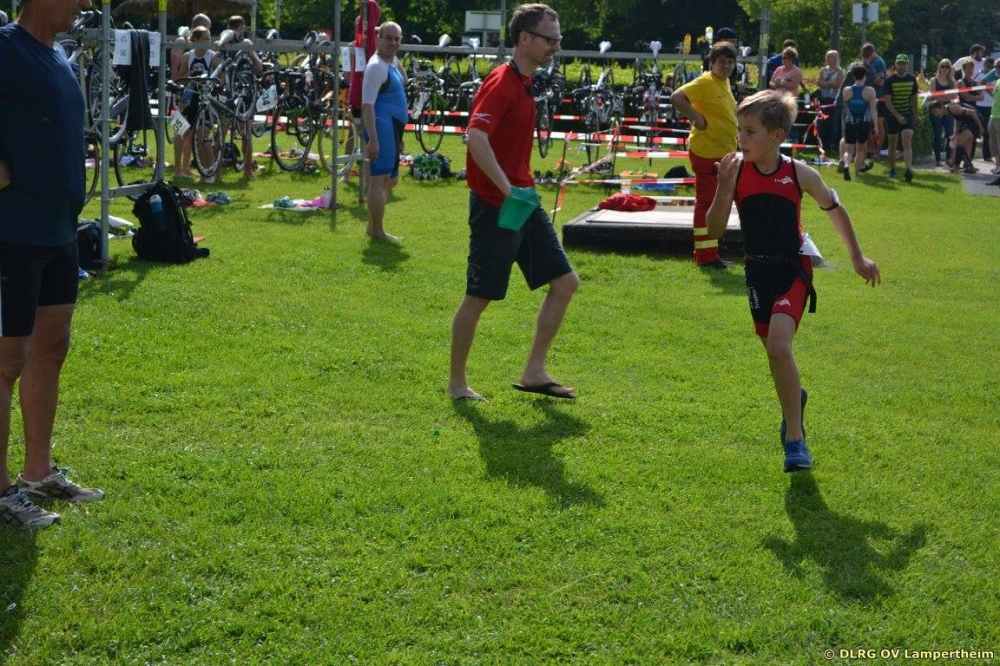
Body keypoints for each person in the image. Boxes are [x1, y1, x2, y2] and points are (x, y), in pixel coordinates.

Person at [705, 90, 881, 473]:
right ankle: (794, 398)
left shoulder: (799, 173)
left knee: (778, 346)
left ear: (777, 136)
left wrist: (857, 257)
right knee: (775, 354)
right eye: (739, 131)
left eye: (750, 132)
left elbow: (835, 209)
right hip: (757, 273)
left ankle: (795, 440)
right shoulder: (737, 172)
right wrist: (723, 187)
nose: (741, 139)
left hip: (793, 271)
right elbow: (714, 230)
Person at [0, 0, 106, 529]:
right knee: (6, 361)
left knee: (52, 346)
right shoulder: (4, 47)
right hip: (11, 232)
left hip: (59, 230)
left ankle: (37, 473)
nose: (84, 4)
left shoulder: (58, 55)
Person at [447, 3, 579, 402]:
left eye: (557, 39)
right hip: (497, 206)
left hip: (524, 202)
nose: (556, 46)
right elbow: (475, 137)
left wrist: (520, 190)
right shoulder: (502, 82)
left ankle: (534, 372)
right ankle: (457, 385)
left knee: (565, 283)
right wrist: (508, 190)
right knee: (480, 296)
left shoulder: (526, 82)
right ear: (525, 38)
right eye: (550, 39)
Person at [670, 40, 738, 269]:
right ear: (712, 63)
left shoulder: (723, 82)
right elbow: (677, 97)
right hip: (708, 153)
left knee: (718, 204)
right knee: (707, 204)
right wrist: (697, 119)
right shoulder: (705, 81)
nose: (726, 66)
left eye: (730, 62)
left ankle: (711, 250)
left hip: (723, 154)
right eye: (722, 62)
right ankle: (706, 256)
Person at [361, 21, 407, 242]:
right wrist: (373, 139)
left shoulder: (391, 62)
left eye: (397, 39)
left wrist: (398, 137)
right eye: (388, 38)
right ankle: (377, 230)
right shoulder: (375, 67)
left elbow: (404, 80)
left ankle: (372, 225)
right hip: (381, 126)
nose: (393, 43)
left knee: (391, 179)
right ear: (378, 39)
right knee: (379, 179)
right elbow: (367, 105)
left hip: (392, 128)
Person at [175, 26, 218, 184]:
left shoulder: (213, 56)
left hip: (206, 99)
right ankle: (181, 169)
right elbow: (180, 79)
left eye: (209, 38)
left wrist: (208, 82)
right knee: (180, 131)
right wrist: (190, 77)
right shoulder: (188, 56)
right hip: (189, 98)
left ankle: (209, 171)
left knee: (202, 136)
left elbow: (221, 79)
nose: (209, 41)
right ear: (196, 40)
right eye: (205, 38)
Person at [171, 13, 211, 179]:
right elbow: (178, 75)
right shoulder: (185, 49)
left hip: (199, 96)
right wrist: (186, 79)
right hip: (184, 95)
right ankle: (178, 168)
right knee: (181, 131)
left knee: (192, 133)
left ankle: (187, 167)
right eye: (207, 33)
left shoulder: (209, 53)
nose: (209, 38)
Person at [345, 0, 380, 184]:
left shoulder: (378, 46)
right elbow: (346, 74)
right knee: (353, 132)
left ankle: (368, 174)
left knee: (367, 133)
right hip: (357, 95)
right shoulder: (352, 47)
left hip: (371, 96)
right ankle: (346, 171)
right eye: (359, 24)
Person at [883, 54, 921, 182]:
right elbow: (888, 102)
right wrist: (897, 116)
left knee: (907, 140)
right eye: (899, 64)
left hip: (907, 113)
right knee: (892, 144)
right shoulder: (889, 81)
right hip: (892, 115)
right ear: (895, 65)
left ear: (907, 66)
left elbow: (914, 98)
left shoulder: (912, 79)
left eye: (903, 64)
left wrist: (916, 114)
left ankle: (908, 169)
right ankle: (893, 168)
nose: (901, 66)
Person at [840, 63, 879, 181]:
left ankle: (846, 165)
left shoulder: (846, 90)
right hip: (864, 122)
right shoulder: (870, 91)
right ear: (865, 76)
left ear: (853, 76)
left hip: (850, 122)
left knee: (848, 151)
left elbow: (846, 104)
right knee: (860, 150)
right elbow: (873, 109)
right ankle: (856, 175)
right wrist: (876, 126)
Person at [926, 99, 983, 174]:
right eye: (934, 113)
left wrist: (980, 127)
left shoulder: (952, 108)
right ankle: (968, 166)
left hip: (976, 121)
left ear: (942, 107)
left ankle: (956, 167)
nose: (936, 115)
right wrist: (956, 134)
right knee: (966, 143)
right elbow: (959, 119)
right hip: (969, 123)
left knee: (958, 142)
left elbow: (972, 112)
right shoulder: (948, 111)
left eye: (936, 111)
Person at [928, 58, 958, 167]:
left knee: (950, 134)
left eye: (947, 67)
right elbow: (933, 95)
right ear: (939, 67)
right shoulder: (933, 80)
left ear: (950, 68)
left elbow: (954, 95)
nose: (944, 69)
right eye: (942, 66)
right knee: (937, 134)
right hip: (936, 110)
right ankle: (937, 159)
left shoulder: (952, 81)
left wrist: (941, 95)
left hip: (948, 110)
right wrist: (946, 96)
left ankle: (949, 158)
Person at [816, 50, 844, 156]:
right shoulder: (823, 70)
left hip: (834, 100)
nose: (828, 59)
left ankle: (833, 145)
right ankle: (822, 144)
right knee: (821, 123)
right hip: (823, 99)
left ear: (835, 59)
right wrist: (829, 83)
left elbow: (838, 85)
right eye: (827, 57)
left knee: (833, 123)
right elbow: (819, 82)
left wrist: (825, 83)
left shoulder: (839, 71)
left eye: (831, 57)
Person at [861, 43, 887, 155]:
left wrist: (868, 79)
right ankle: (871, 148)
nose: (866, 58)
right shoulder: (870, 62)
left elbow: (881, 81)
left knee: (879, 123)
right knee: (868, 123)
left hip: (879, 97)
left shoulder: (879, 62)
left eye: (867, 56)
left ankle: (878, 151)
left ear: (872, 53)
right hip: (868, 97)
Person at [980, 59, 1000, 185]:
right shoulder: (998, 81)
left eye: (998, 67)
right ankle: (998, 168)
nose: (996, 69)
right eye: (996, 66)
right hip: (994, 116)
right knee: (994, 146)